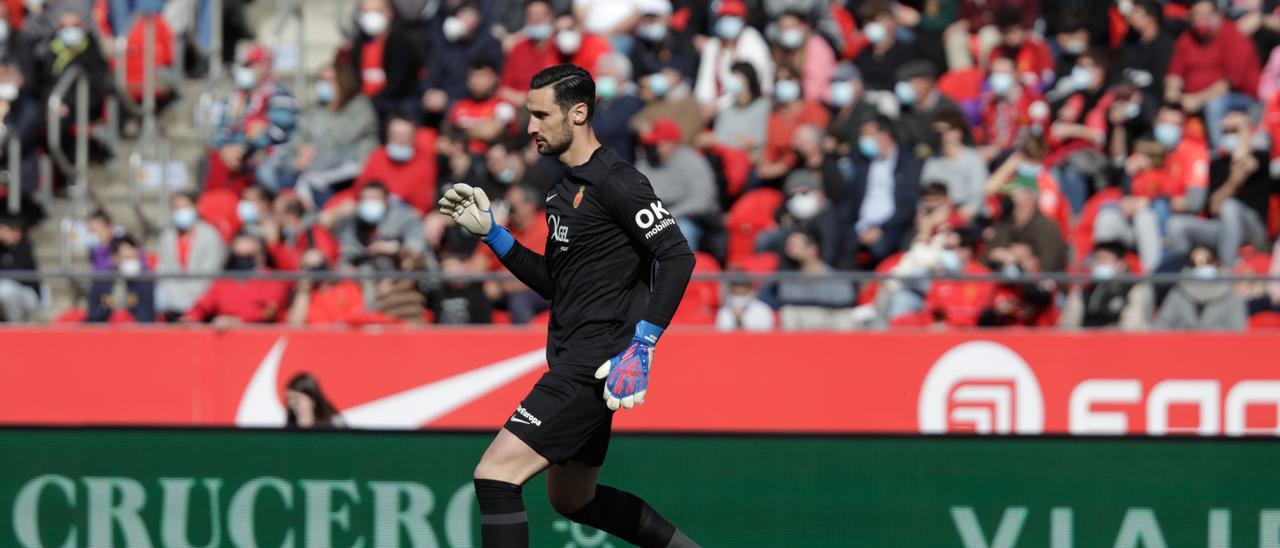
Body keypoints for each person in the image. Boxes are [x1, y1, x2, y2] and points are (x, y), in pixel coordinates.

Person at [437, 64, 697, 547]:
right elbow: (556, 284)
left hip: (594, 364)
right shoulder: (562, 190)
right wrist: (494, 236)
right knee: (573, 499)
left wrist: (643, 345)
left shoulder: (617, 181)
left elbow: (678, 256)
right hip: (576, 354)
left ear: (578, 113)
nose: (530, 126)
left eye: (540, 115)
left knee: (496, 475)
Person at [1166, 109, 1271, 267]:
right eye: (1226, 131)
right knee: (1176, 225)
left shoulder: (1260, 155)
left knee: (1229, 206)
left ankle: (1228, 268)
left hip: (1254, 228)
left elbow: (1241, 160)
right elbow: (1214, 206)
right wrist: (1233, 181)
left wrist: (1244, 127)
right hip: (1224, 228)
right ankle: (1182, 271)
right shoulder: (1216, 163)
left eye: (1235, 131)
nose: (1230, 135)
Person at [257, 61, 379, 194]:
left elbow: (342, 139)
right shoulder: (316, 109)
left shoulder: (359, 107)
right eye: (321, 79)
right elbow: (299, 134)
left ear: (344, 81)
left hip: (346, 166)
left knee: (312, 176)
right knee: (267, 168)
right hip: (310, 163)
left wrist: (313, 151)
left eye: (329, 80)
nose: (323, 84)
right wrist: (300, 149)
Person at [1166, 0, 1260, 151]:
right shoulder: (1186, 39)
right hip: (1193, 99)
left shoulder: (1233, 36)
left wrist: (1197, 99)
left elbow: (1229, 83)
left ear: (1218, 15)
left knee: (1215, 105)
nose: (1200, 19)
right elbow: (1174, 74)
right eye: (1196, 15)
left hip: (1238, 99)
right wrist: (1173, 94)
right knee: (1166, 115)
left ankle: (1217, 155)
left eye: (1206, 14)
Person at [205, 44, 298, 194]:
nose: (244, 70)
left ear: (264, 66)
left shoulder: (280, 95)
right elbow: (221, 127)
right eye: (243, 66)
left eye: (249, 65)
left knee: (264, 170)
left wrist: (243, 147)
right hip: (236, 156)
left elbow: (276, 131)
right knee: (215, 161)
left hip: (267, 158)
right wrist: (226, 148)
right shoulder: (235, 98)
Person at [843, 114, 923, 266]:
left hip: (892, 227)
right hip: (861, 226)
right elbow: (851, 201)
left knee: (881, 247)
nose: (863, 140)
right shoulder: (862, 163)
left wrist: (881, 228)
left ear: (885, 134)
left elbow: (908, 204)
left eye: (868, 134)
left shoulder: (908, 162)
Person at [635, 118, 717, 250]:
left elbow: (702, 200)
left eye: (655, 144)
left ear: (671, 143)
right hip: (650, 217)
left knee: (682, 230)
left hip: (688, 218)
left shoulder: (693, 162)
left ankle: (683, 270)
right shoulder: (644, 164)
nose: (651, 148)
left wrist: (668, 216)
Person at [181, 233, 291, 326]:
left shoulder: (273, 280)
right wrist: (191, 317)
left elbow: (270, 312)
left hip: (264, 338)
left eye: (248, 256)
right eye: (238, 256)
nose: (242, 260)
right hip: (228, 339)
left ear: (260, 256)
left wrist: (239, 321)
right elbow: (203, 305)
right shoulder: (224, 281)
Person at [350, 0, 426, 126]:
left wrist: (375, 100)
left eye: (374, 11)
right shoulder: (359, 43)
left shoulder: (402, 41)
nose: (369, 16)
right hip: (366, 101)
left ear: (389, 13)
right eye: (365, 12)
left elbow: (399, 81)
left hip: (395, 102)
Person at [156, 193, 227, 319]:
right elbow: (163, 270)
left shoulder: (210, 235)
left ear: (196, 208)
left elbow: (210, 274)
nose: (181, 211)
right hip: (173, 299)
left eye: (185, 206)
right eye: (177, 208)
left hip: (201, 298)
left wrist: (191, 299)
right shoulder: (166, 236)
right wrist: (175, 297)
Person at [421, 1, 503, 110]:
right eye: (462, 14)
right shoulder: (443, 43)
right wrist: (429, 92)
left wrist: (448, 99)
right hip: (438, 100)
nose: (465, 18)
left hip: (473, 102)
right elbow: (431, 74)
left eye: (470, 14)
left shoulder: (489, 45)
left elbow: (483, 82)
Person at [694, 0, 772, 113]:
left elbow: (749, 83)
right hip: (715, 110)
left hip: (749, 105)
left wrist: (718, 105)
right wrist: (706, 103)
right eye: (723, 16)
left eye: (732, 16)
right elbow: (704, 83)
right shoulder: (713, 45)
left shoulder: (752, 39)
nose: (727, 20)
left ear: (743, 19)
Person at [1060, 241, 1154, 330]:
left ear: (1121, 264)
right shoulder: (1083, 291)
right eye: (1097, 258)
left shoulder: (1134, 290)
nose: (1099, 263)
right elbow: (1067, 326)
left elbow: (1132, 327)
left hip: (1117, 343)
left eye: (1104, 259)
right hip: (1083, 344)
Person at [775, 228, 857, 330]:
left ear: (812, 249)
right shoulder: (789, 278)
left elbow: (844, 306)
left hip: (830, 328)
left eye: (794, 245)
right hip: (800, 330)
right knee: (788, 313)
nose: (788, 250)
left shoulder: (837, 279)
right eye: (788, 245)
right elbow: (788, 302)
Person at [1155, 245, 1247, 330]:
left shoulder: (1231, 296)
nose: (1201, 266)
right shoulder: (1178, 293)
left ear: (1216, 263)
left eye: (1207, 261)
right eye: (1195, 262)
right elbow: (1162, 326)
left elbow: (1238, 330)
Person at [337, 181, 428, 268]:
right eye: (365, 199)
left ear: (386, 200)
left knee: (409, 264)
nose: (369, 203)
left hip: (408, 274)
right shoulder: (354, 222)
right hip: (372, 276)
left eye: (374, 198)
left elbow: (417, 252)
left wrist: (390, 248)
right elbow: (345, 258)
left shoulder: (406, 217)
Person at [921, 109, 988, 219]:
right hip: (935, 215)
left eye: (944, 130)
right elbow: (924, 195)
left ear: (958, 132)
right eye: (936, 132)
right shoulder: (932, 162)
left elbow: (977, 198)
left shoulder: (972, 160)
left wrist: (955, 219)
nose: (940, 136)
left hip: (964, 218)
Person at [286, 248, 366, 326]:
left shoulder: (347, 286)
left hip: (346, 335)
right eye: (309, 267)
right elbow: (294, 325)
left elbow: (357, 316)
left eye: (320, 264)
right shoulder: (304, 296)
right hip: (318, 337)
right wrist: (304, 291)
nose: (316, 270)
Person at [86, 235, 156, 323]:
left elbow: (146, 318)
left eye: (133, 258)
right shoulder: (102, 282)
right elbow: (94, 317)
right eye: (127, 258)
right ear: (114, 257)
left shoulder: (144, 282)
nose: (131, 263)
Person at [591, 52, 644, 163]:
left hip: (620, 162)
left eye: (606, 76)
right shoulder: (604, 100)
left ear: (622, 77)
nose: (601, 80)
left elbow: (604, 128)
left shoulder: (630, 101)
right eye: (600, 75)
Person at [710, 62, 770, 157]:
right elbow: (717, 139)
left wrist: (724, 139)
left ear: (749, 79)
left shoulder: (763, 106)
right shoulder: (726, 110)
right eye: (732, 76)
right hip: (726, 159)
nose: (733, 80)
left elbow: (756, 140)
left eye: (737, 76)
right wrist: (738, 139)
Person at [0, 214, 37, 322]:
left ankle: (15, 325)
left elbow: (18, 273)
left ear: (16, 232)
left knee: (6, 289)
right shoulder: (2, 249)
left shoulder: (24, 247)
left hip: (27, 294)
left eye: (3, 229)